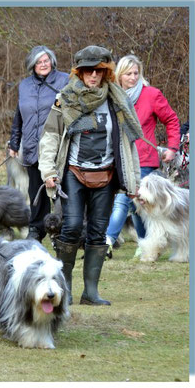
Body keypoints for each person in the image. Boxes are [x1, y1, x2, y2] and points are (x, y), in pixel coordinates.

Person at [38, 45, 143, 306]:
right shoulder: (65, 99)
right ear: (80, 72)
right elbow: (50, 136)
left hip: (106, 175)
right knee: (71, 226)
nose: (93, 76)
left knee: (98, 232)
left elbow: (129, 145)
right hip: (73, 172)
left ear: (106, 72)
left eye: (98, 71)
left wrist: (134, 181)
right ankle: (66, 289)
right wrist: (49, 171)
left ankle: (91, 292)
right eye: (88, 71)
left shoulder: (118, 101)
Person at [104, 54, 181, 255]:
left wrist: (172, 147)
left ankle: (107, 242)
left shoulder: (152, 95)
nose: (133, 77)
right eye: (128, 73)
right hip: (116, 159)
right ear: (119, 75)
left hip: (143, 160)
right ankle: (146, 243)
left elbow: (172, 120)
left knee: (125, 200)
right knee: (137, 207)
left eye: (136, 73)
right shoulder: (112, 97)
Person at [7, 45, 70, 242]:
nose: (43, 64)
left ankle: (65, 229)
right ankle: (36, 229)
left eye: (46, 60)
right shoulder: (24, 85)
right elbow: (19, 116)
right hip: (32, 146)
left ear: (52, 62)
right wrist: (14, 143)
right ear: (32, 65)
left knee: (61, 190)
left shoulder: (65, 80)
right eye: (39, 61)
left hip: (57, 148)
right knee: (36, 190)